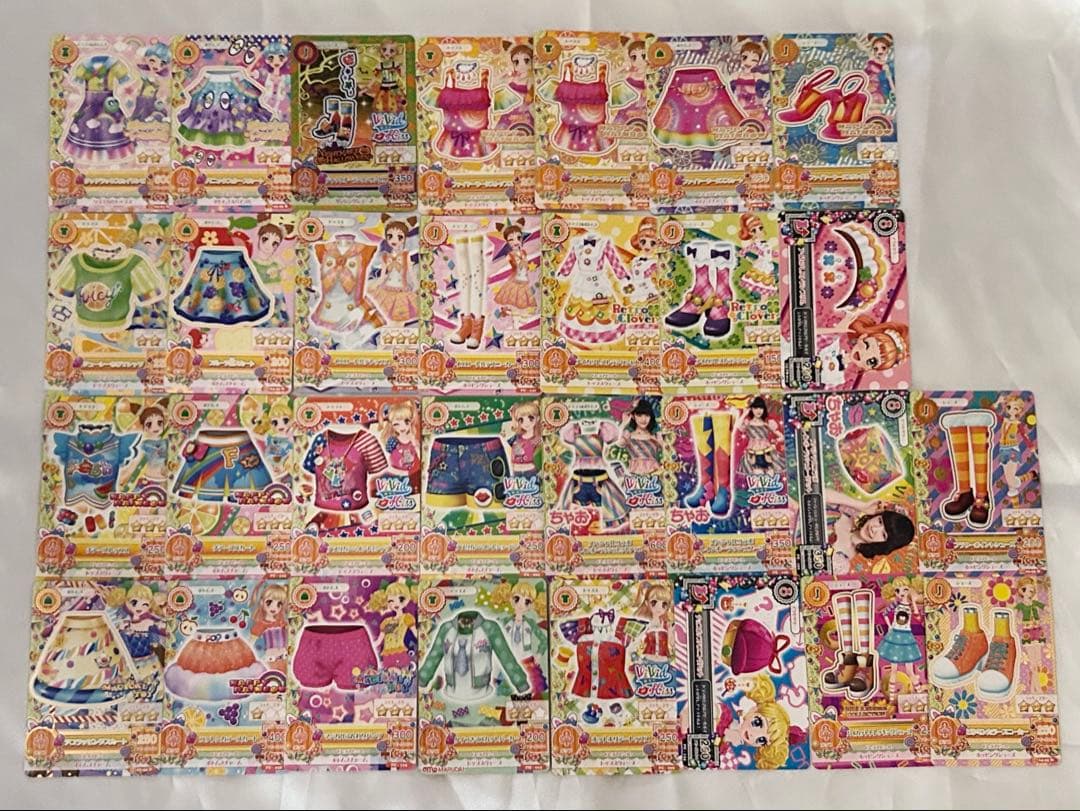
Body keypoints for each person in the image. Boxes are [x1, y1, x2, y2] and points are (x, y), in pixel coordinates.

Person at [825, 487, 915, 574]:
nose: (874, 528)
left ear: (884, 544)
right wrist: (862, 506)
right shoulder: (849, 512)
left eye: (883, 534)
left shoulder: (841, 563)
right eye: (880, 521)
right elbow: (821, 493)